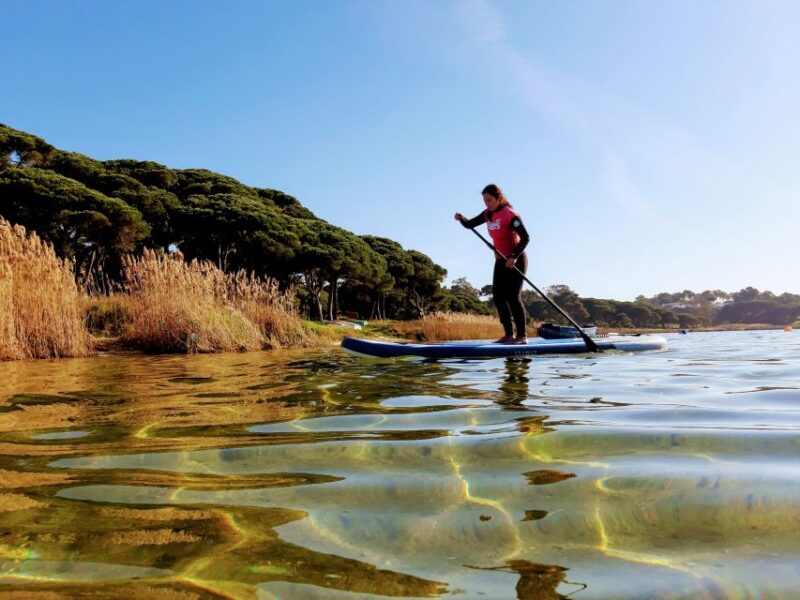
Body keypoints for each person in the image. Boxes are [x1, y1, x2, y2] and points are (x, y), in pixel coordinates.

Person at [455, 184, 530, 344]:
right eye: (484, 200)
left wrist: (514, 256)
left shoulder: (510, 215)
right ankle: (509, 335)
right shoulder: (488, 214)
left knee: (513, 297)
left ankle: (522, 336)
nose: (486, 203)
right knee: (498, 296)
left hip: (516, 259)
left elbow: (525, 238)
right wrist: (462, 219)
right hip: (500, 260)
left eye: (489, 200)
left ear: (499, 198)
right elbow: (470, 224)